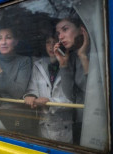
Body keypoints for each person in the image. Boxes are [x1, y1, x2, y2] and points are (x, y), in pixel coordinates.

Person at [24, 35, 73, 143]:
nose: (51, 46)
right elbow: (32, 88)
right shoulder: (38, 65)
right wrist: (30, 96)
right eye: (48, 42)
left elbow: (73, 97)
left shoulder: (69, 64)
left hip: (64, 127)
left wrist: (50, 101)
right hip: (44, 126)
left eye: (54, 42)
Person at [54, 16, 90, 144]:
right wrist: (63, 65)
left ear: (81, 30)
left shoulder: (96, 52)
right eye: (58, 33)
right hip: (80, 120)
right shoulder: (72, 56)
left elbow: (94, 92)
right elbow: (71, 96)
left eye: (65, 29)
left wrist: (83, 57)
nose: (60, 37)